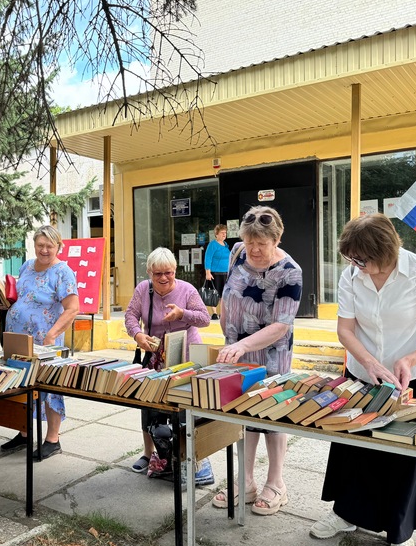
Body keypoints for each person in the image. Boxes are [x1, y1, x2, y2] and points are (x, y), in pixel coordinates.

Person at [310, 213, 416, 546]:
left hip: (414, 377)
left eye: (363, 259)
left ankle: (401, 532)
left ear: (386, 252)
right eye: (352, 259)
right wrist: (370, 362)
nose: (358, 266)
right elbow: (346, 330)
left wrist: (409, 358)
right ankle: (346, 513)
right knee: (355, 448)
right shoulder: (351, 276)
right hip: (364, 372)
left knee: (407, 456)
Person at [213, 206, 302, 515]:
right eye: (250, 242)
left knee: (272, 414)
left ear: (276, 239)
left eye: (262, 244)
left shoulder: (290, 271)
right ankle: (245, 481)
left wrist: (243, 345)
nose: (254, 249)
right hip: (235, 348)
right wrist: (225, 326)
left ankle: (276, 483)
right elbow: (228, 291)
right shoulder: (237, 251)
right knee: (241, 413)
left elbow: (281, 324)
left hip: (271, 353)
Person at [125, 248, 213, 483]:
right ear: (149, 273)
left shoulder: (187, 290)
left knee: (182, 409)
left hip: (185, 359)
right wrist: (138, 336)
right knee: (149, 406)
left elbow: (205, 318)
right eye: (157, 274)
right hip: (155, 359)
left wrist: (181, 313)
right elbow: (131, 315)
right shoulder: (143, 290)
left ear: (175, 271)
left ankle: (187, 456)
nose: (163, 278)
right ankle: (150, 453)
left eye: (169, 273)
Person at [0, 225, 79, 459]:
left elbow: (72, 308)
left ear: (58, 246)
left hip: (46, 339)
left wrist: (52, 335)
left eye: (49, 246)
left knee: (49, 386)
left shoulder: (63, 272)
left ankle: (52, 439)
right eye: (40, 245)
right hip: (18, 336)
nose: (44, 250)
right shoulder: (26, 266)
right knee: (21, 384)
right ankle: (24, 433)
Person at [204, 224, 230, 320]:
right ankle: (214, 313)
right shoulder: (213, 245)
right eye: (222, 233)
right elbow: (208, 258)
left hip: (225, 273)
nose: (224, 235)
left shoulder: (226, 245)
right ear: (217, 234)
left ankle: (222, 313)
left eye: (225, 233)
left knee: (224, 294)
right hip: (215, 273)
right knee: (214, 294)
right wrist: (208, 272)